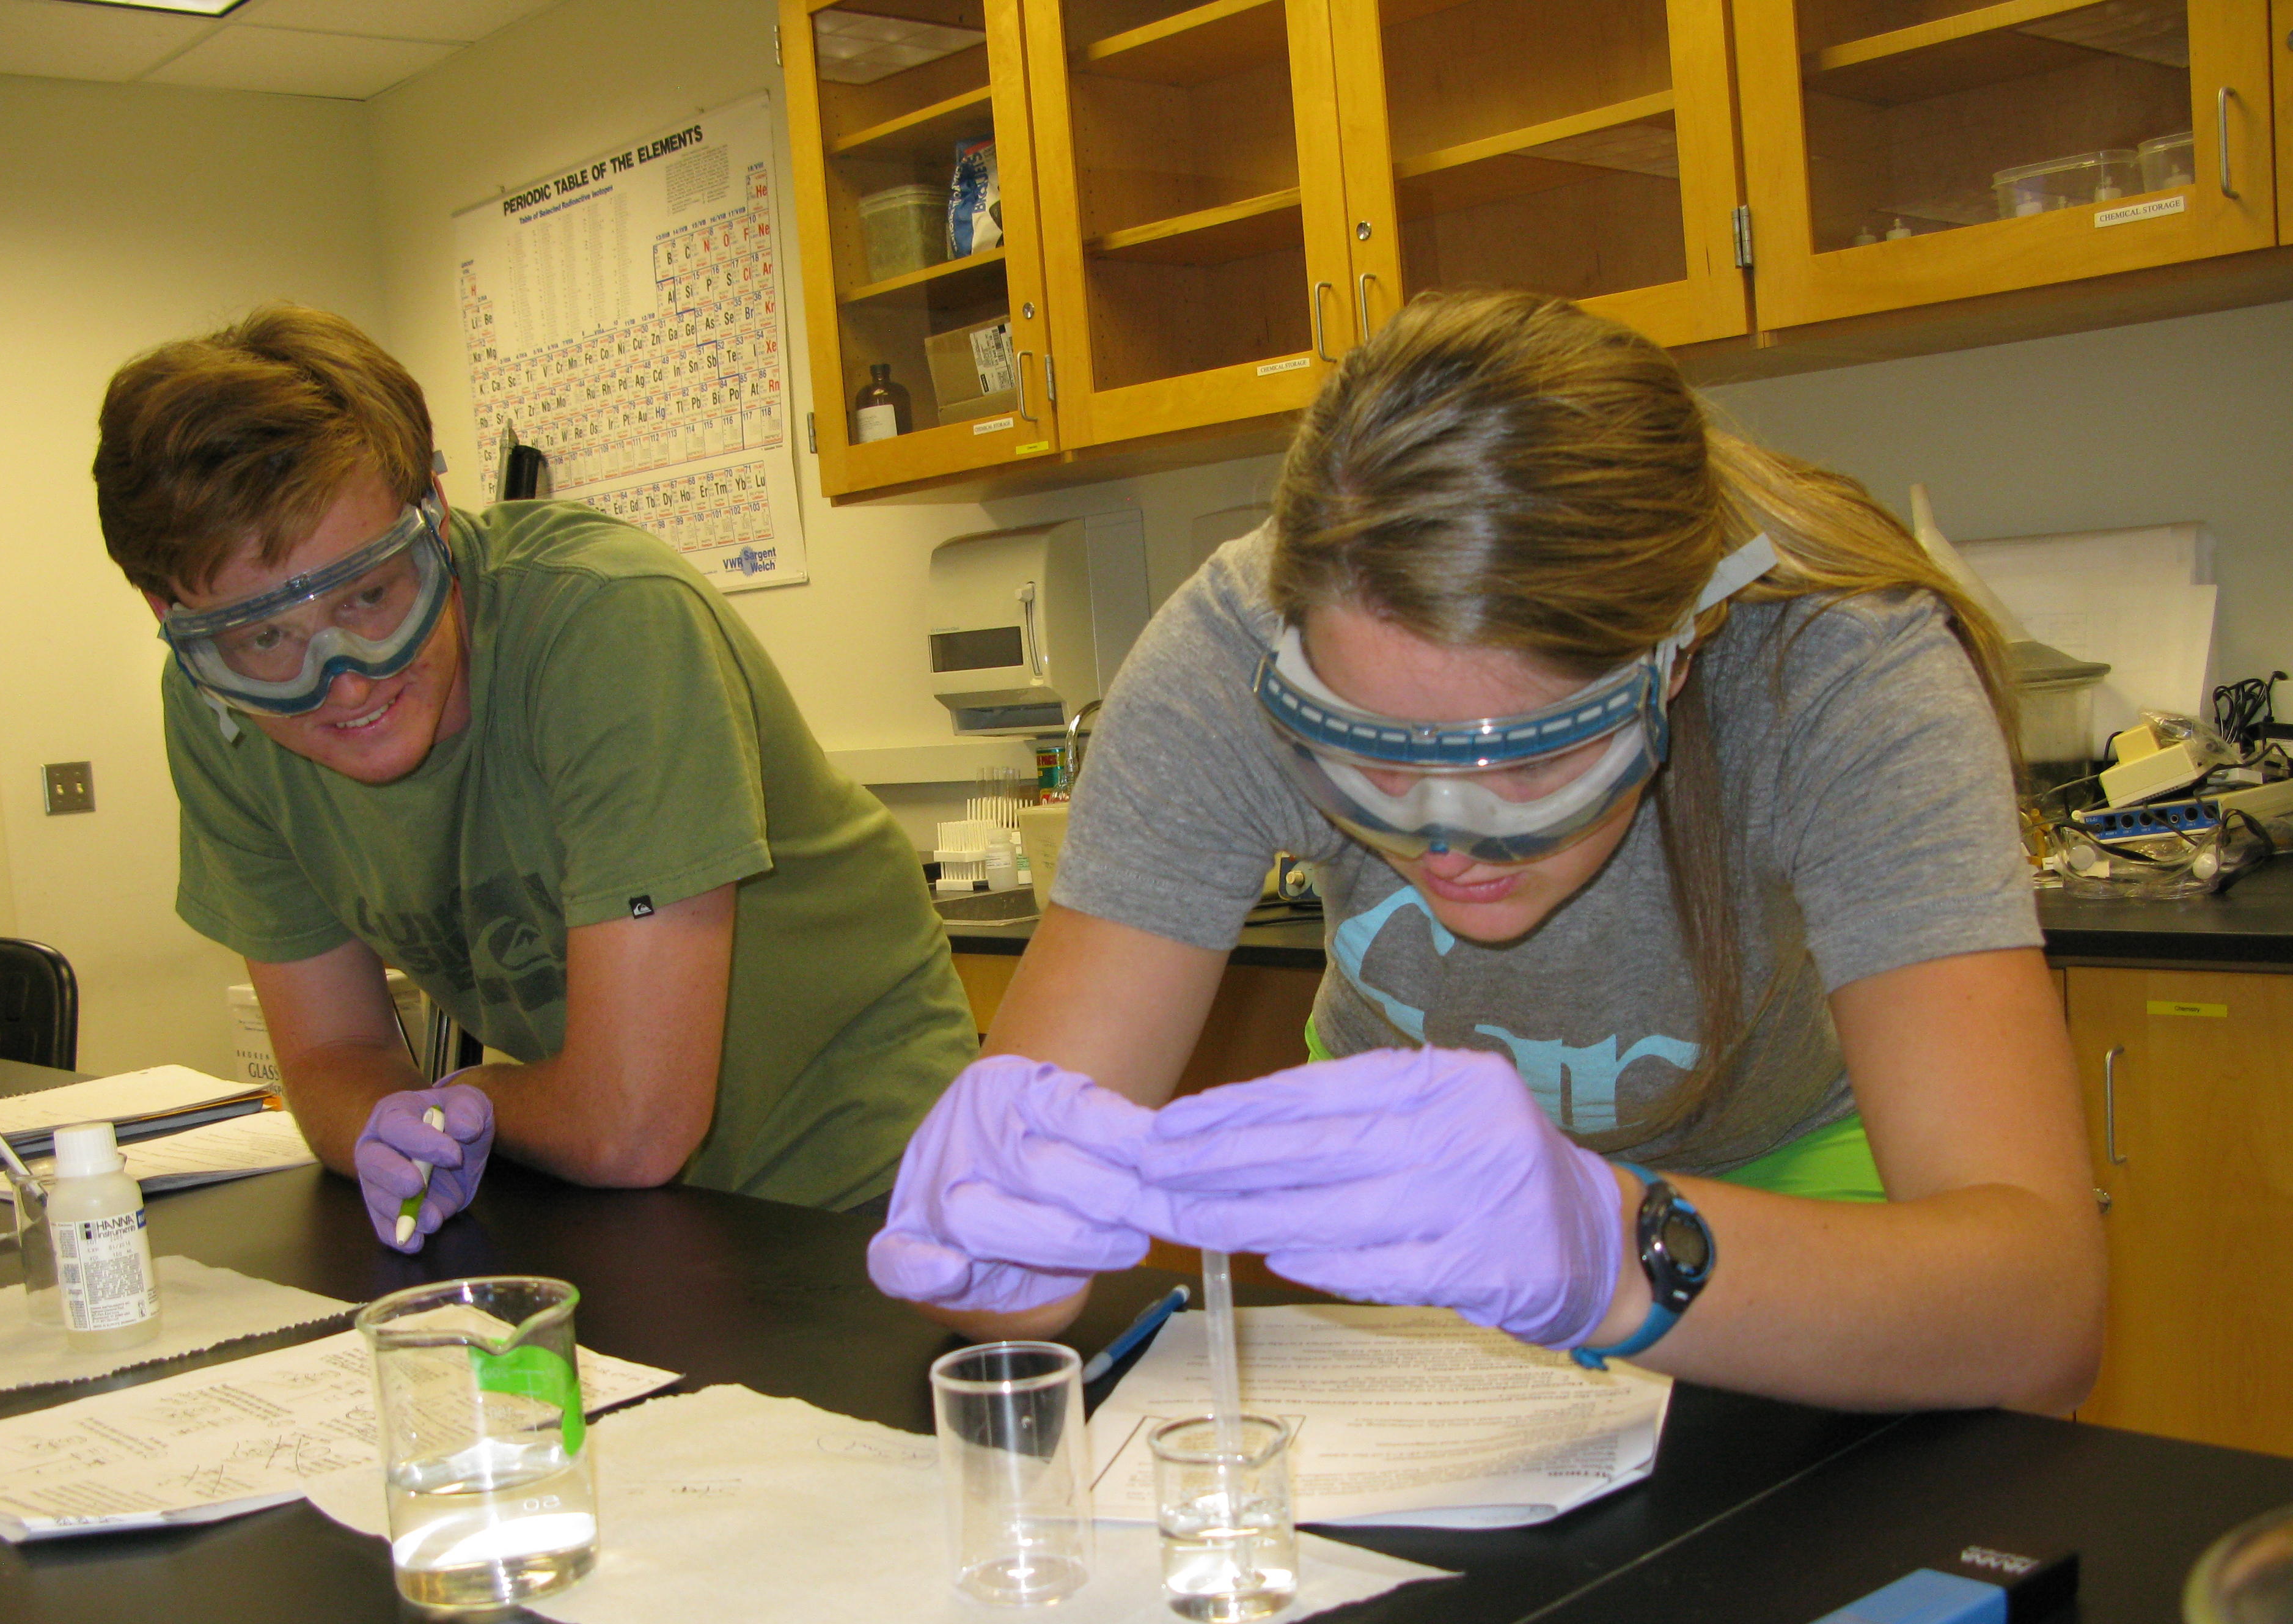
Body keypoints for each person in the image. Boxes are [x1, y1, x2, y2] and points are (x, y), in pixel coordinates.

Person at [868, 291, 2104, 1414]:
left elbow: (2036, 1315)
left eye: (1530, 764)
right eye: (1375, 761)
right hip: (1401, 1206)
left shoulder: (1839, 671)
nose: (1449, 840)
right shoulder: (1219, 658)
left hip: (1793, 1204)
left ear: (1673, 657)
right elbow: (1014, 1268)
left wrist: (1610, 1247)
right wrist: (998, 1253)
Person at [97, 303, 975, 1247]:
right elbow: (331, 1055)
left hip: (878, 1196)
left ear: (431, 517)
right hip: (630, 1212)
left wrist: (460, 1097)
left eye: (372, 595)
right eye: (264, 638)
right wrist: (384, 1127)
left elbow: (632, 1124)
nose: (344, 676)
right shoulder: (218, 717)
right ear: (170, 615)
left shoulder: (609, 626)